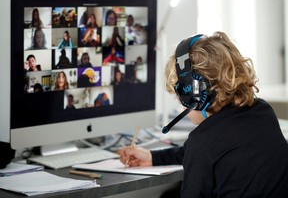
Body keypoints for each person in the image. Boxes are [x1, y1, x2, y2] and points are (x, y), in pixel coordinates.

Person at [118, 32, 288, 197]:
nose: (179, 101)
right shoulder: (262, 111)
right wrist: (153, 157)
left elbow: (204, 153)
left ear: (193, 93)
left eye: (180, 93)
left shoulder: (202, 142)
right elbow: (215, 152)